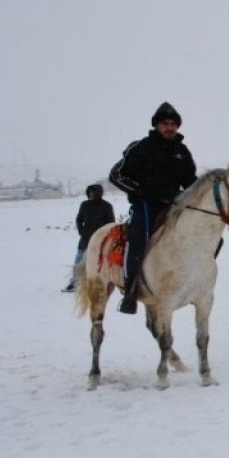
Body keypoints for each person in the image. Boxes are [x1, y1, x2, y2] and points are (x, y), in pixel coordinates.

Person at [108, 101, 197, 314]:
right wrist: (138, 191)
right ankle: (131, 291)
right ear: (157, 125)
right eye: (165, 123)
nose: (170, 127)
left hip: (173, 206)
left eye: (174, 124)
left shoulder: (182, 151)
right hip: (146, 205)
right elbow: (116, 175)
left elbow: (190, 182)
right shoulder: (141, 147)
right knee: (138, 239)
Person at [61, 183, 116, 292]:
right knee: (79, 261)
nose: (93, 194)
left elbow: (111, 223)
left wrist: (105, 236)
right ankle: (74, 283)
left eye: (96, 192)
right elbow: (79, 219)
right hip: (85, 239)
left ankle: (103, 281)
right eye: (91, 192)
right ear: (88, 193)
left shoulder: (107, 206)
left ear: (101, 193)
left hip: (101, 240)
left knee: (101, 261)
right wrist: (82, 232)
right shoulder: (84, 205)